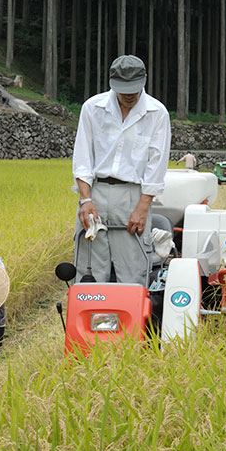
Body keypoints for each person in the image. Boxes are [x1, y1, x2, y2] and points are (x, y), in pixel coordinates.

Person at [72, 55, 171, 285]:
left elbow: (156, 165)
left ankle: (132, 310)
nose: (129, 95)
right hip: (95, 193)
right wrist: (85, 200)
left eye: (133, 89)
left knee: (132, 271)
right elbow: (83, 157)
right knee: (88, 268)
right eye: (123, 89)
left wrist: (142, 208)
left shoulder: (157, 113)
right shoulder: (93, 108)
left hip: (133, 196)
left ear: (144, 79)